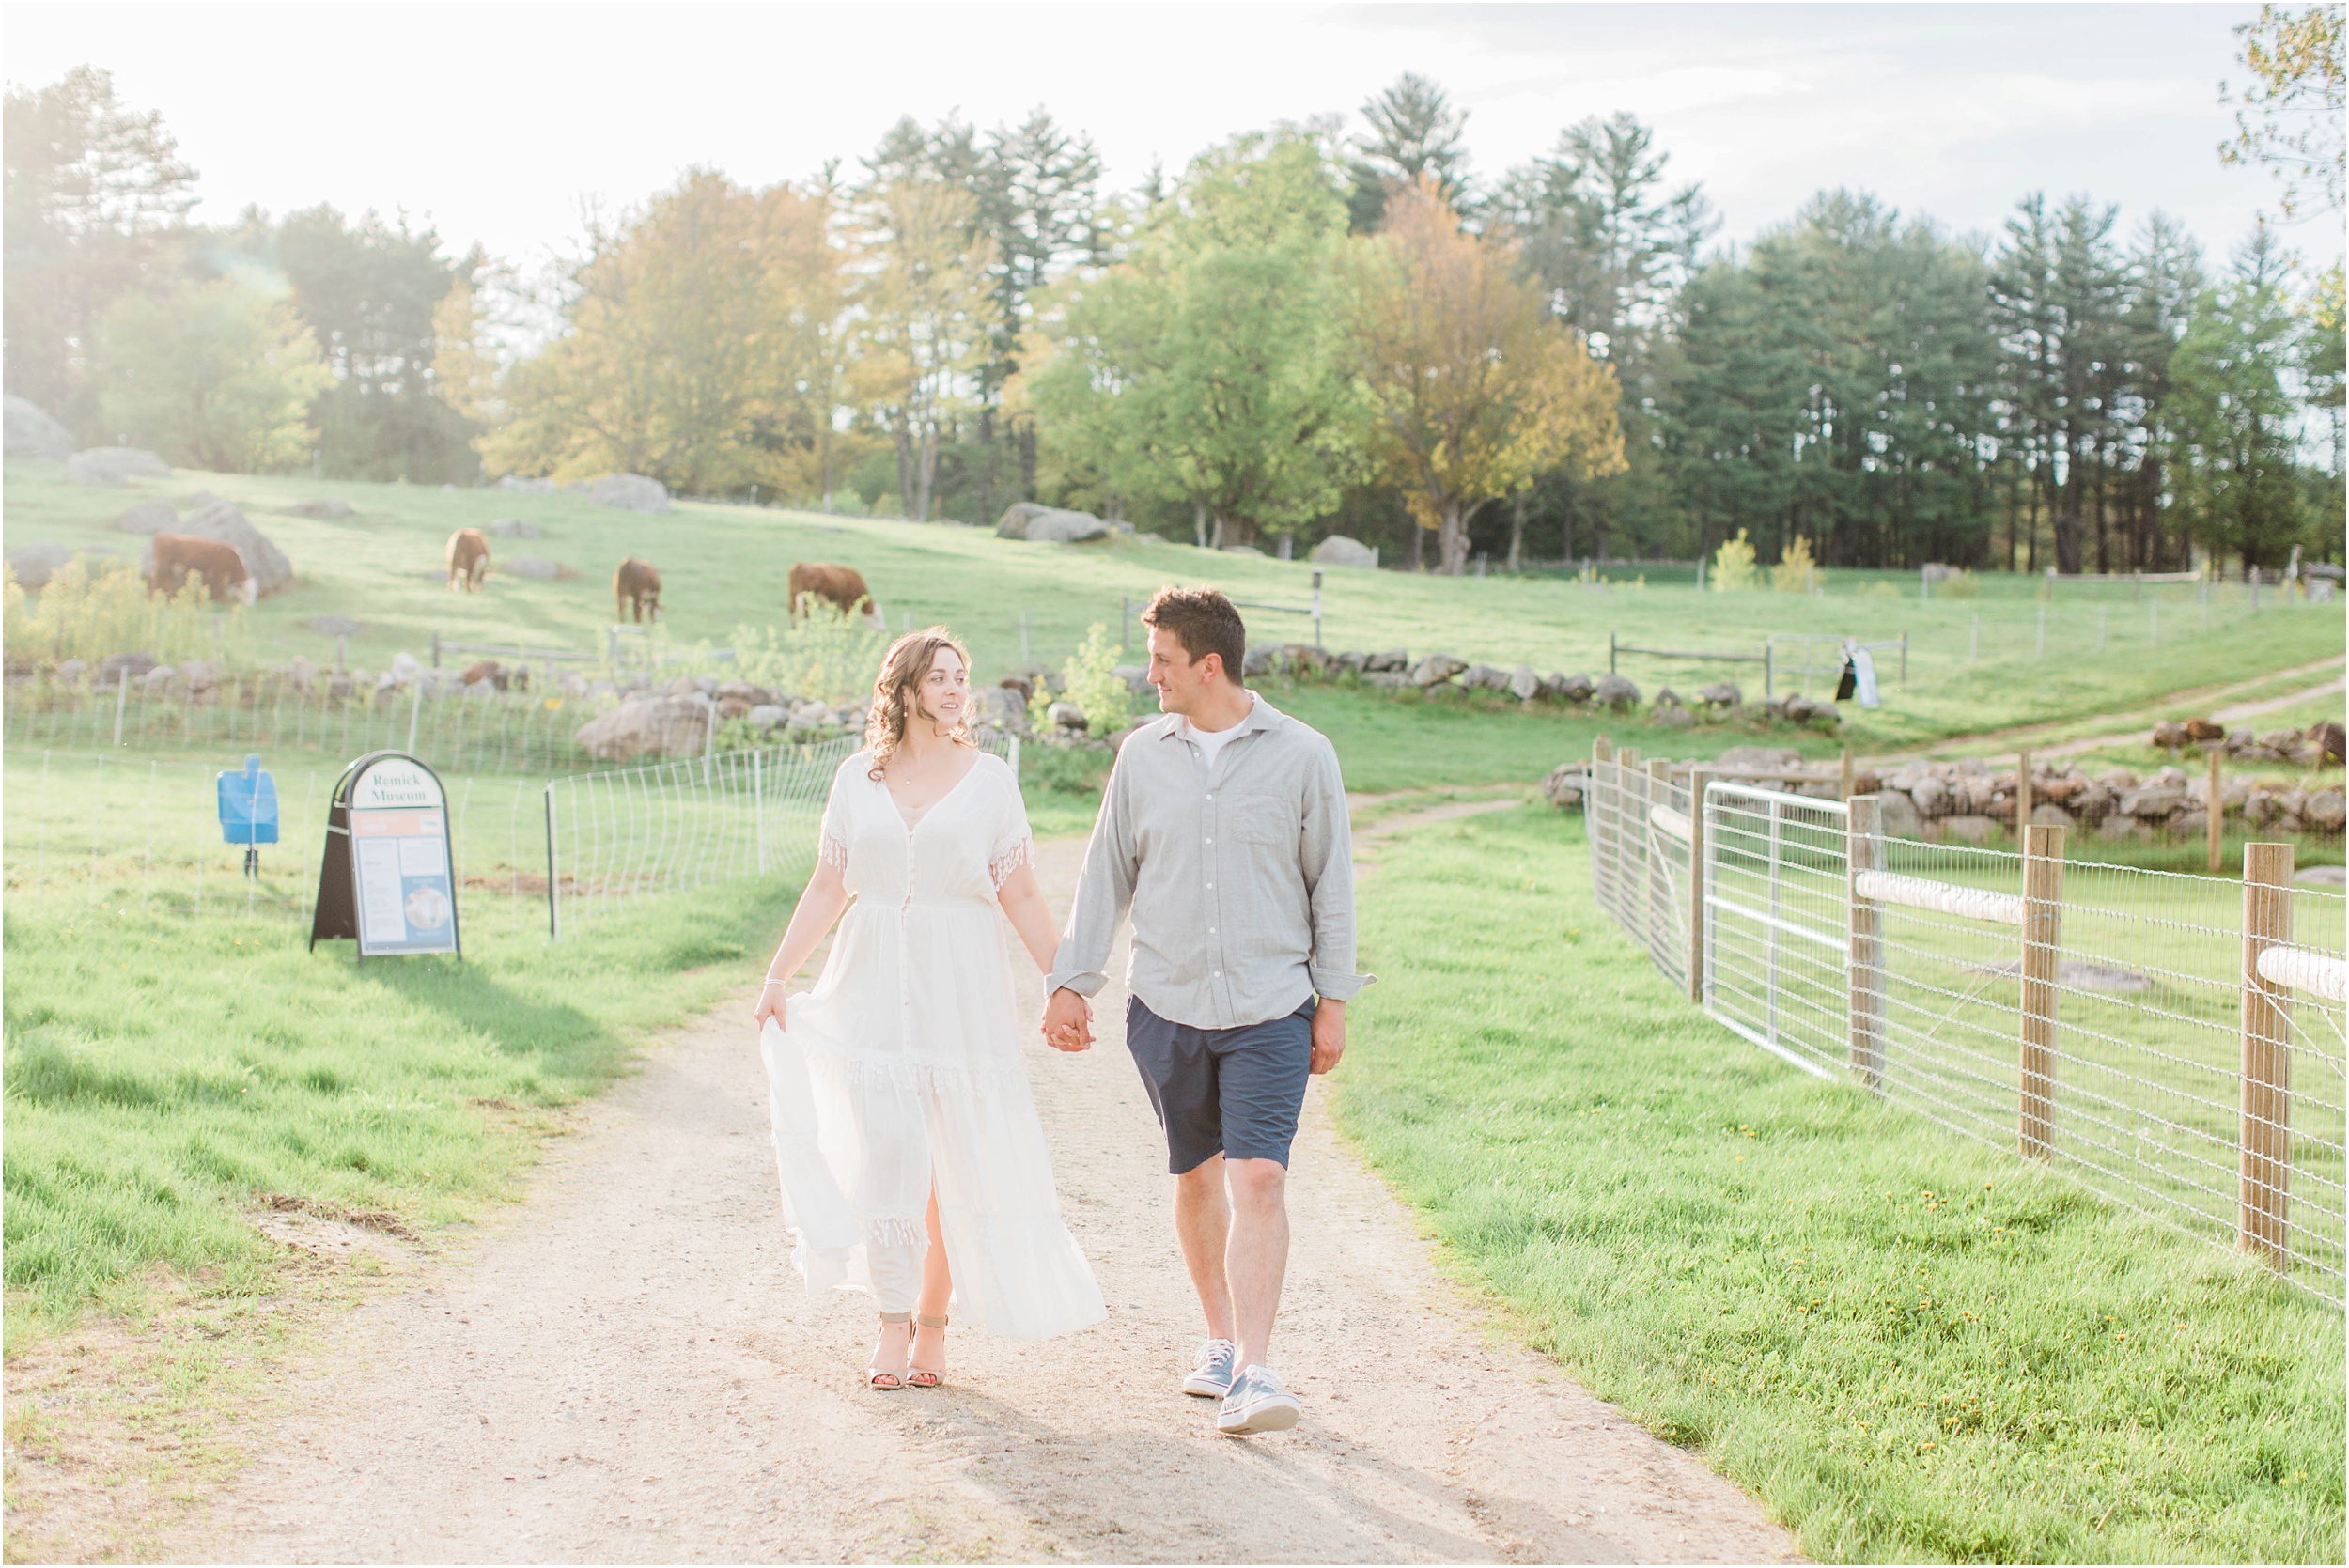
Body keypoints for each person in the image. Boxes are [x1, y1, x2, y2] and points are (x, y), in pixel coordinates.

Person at [1042, 585, 1369, 1436]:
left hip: (1270, 1005)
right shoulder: (1142, 756)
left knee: (1259, 1174)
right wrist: (1072, 980)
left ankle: (1257, 1371)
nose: (1149, 675)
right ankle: (1219, 1341)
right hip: (1168, 1004)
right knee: (1195, 1175)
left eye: (1162, 661)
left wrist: (1332, 1002)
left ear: (1208, 666)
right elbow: (1104, 872)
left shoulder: (1304, 755)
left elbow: (1331, 887)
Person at [754, 628, 1104, 1389]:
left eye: (961, 676)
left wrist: (1065, 980)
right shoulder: (858, 779)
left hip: (959, 988)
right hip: (872, 983)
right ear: (904, 689)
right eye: (939, 677)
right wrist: (780, 974)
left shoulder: (989, 781)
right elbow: (827, 884)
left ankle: (933, 1326)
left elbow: (1021, 893)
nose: (954, 689)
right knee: (890, 1153)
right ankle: (888, 1320)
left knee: (950, 1165)